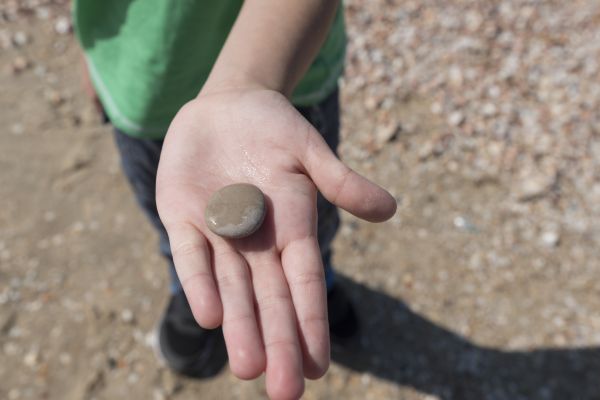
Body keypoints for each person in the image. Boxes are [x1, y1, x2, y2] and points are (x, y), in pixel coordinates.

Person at [73, 1, 396, 399]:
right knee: (174, 223)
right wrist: (92, 52)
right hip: (136, 86)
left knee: (310, 222)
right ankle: (187, 290)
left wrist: (251, 78)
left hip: (288, 79)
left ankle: (321, 281)